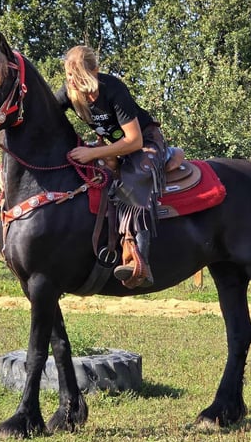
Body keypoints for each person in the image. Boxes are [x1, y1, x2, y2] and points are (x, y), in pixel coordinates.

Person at [55, 45, 168, 288]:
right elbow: (48, 114)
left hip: (145, 142)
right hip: (112, 145)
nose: (74, 83)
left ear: (95, 70)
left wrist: (94, 152)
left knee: (133, 181)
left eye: (80, 77)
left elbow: (134, 140)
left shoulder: (113, 89)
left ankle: (139, 262)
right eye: (70, 76)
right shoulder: (69, 91)